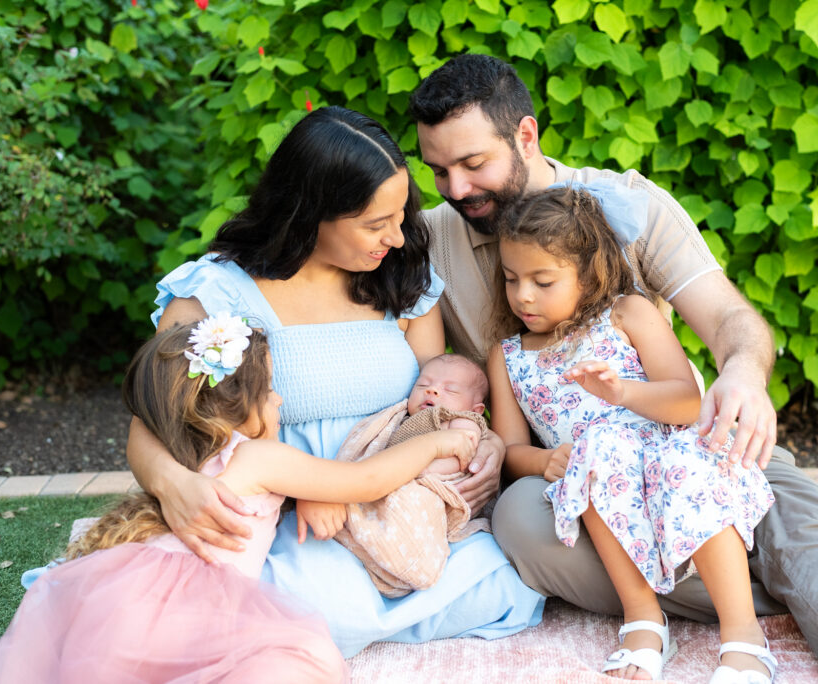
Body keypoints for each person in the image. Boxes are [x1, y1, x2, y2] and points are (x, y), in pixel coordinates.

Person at [408, 54, 818, 683]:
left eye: (473, 165)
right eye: (438, 171)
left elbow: (728, 319)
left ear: (525, 134)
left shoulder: (628, 204)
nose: (457, 190)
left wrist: (741, 373)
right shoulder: (432, 239)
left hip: (683, 440)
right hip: (579, 481)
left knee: (790, 508)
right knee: (520, 522)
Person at [124, 106, 543, 657]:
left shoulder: (402, 283)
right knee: (321, 606)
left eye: (400, 217)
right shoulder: (217, 293)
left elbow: (434, 398)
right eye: (375, 224)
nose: (396, 239)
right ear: (309, 212)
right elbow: (151, 420)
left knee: (506, 587)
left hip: (397, 508)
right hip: (293, 520)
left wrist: (483, 442)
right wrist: (174, 487)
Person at [0, 315, 475, 683]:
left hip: (130, 596)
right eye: (272, 391)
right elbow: (365, 481)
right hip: (187, 610)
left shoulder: (190, 446)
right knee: (288, 662)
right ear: (238, 407)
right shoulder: (257, 458)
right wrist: (434, 442)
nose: (280, 401)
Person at [488, 186, 777, 682]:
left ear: (589, 273)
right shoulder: (508, 356)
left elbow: (688, 402)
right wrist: (544, 462)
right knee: (597, 449)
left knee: (680, 463)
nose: (523, 296)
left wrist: (623, 394)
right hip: (599, 477)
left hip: (670, 452)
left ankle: (744, 638)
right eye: (512, 279)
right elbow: (509, 451)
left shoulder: (627, 313)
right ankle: (644, 621)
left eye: (543, 280)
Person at [331, 352, 492, 597]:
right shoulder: (402, 419)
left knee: (409, 503)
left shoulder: (464, 421)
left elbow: (461, 459)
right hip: (389, 475)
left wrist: (421, 471)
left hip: (423, 484)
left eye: (450, 390)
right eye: (424, 385)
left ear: (476, 409)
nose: (433, 391)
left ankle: (405, 558)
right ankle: (370, 541)